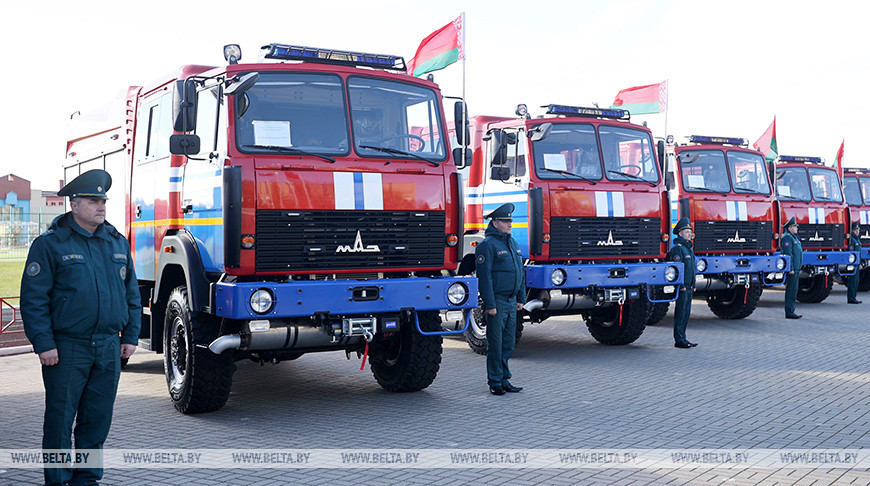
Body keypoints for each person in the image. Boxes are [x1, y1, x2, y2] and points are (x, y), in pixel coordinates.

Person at [21, 169, 141, 486]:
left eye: (103, 200)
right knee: (60, 419)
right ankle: (58, 480)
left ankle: (87, 479)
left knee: (97, 419)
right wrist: (43, 343)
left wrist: (130, 336)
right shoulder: (50, 245)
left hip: (107, 347)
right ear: (74, 205)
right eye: (92, 200)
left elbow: (131, 294)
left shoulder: (116, 242)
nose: (101, 206)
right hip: (67, 348)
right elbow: (33, 299)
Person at [475, 203, 526, 395]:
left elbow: (520, 271)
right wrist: (490, 305)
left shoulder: (512, 243)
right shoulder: (487, 245)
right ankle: (495, 382)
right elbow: (485, 277)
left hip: (512, 301)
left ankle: (505, 379)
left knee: (508, 343)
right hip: (497, 301)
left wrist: (521, 297)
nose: (509, 223)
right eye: (505, 221)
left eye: (510, 220)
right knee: (495, 344)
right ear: (495, 223)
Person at [667, 218, 697, 348]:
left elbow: (692, 269)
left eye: (690, 231)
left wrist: (694, 284)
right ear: (680, 234)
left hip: (690, 286)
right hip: (683, 288)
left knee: (686, 313)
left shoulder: (688, 248)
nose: (689, 234)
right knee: (680, 313)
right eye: (686, 232)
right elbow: (677, 269)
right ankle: (679, 340)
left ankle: (684, 338)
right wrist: (681, 286)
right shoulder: (678, 249)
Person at [780, 216, 803, 319]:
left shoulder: (794, 238)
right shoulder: (787, 237)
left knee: (794, 290)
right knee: (791, 290)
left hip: (796, 268)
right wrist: (791, 268)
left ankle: (791, 310)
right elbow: (788, 254)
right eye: (795, 226)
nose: (796, 228)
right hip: (792, 270)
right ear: (789, 227)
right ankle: (789, 312)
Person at [847, 222, 863, 304]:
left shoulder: (857, 239)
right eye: (855, 230)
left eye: (858, 230)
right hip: (853, 264)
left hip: (857, 263)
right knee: (853, 281)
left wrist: (860, 263)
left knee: (856, 281)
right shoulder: (852, 240)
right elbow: (851, 252)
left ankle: (853, 296)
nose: (857, 231)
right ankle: (851, 298)